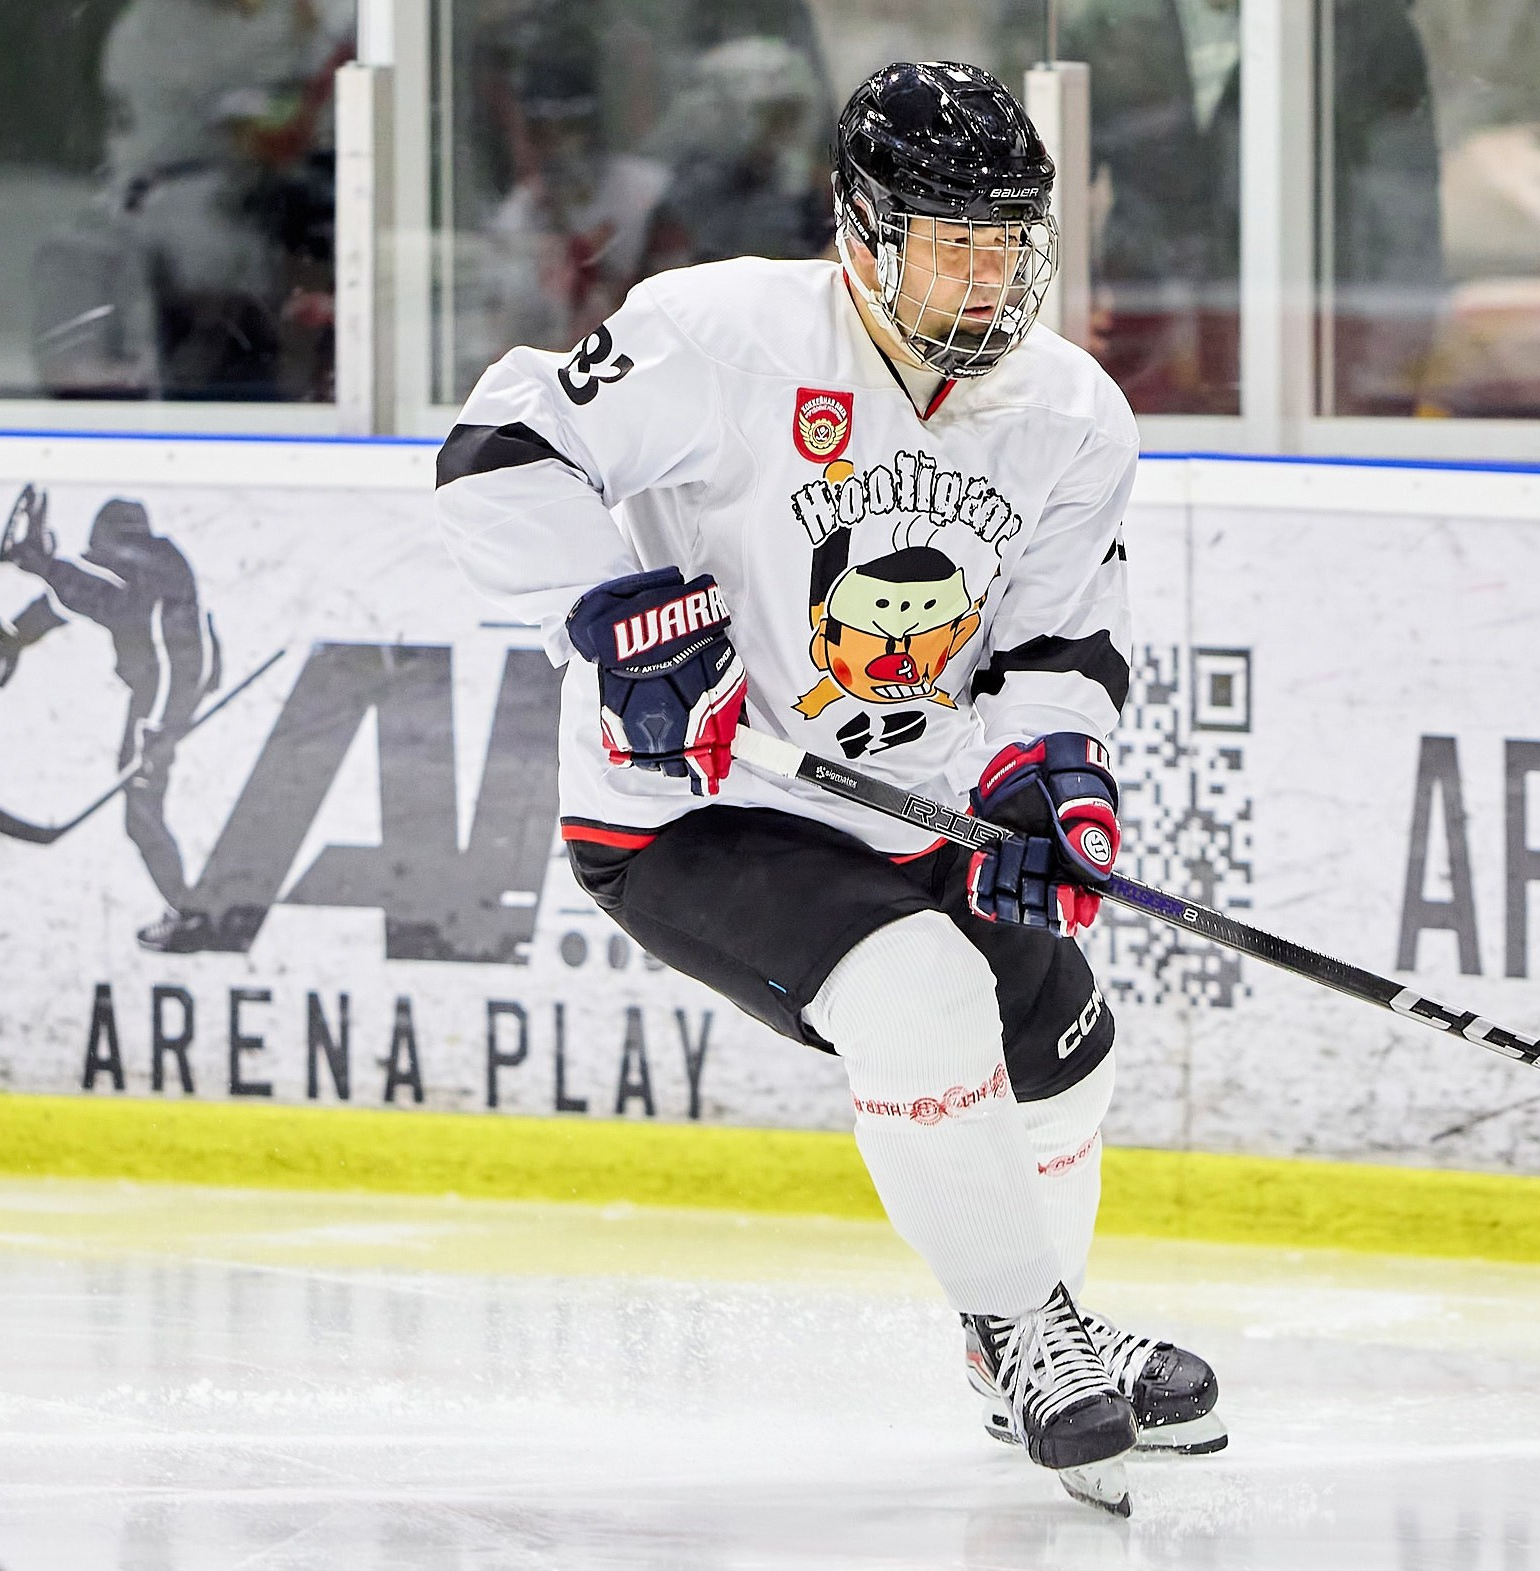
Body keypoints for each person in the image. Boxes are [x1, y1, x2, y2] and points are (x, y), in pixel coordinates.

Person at [433, 61, 1221, 1515]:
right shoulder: (717, 333)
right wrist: (615, 615)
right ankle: (1029, 1327)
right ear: (862, 230)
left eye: (1007, 239)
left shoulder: (1068, 414)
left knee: (1061, 1044)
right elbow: (494, 456)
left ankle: (1018, 1331)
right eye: (950, 240)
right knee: (915, 989)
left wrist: (1049, 784)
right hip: (694, 808)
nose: (986, 277)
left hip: (910, 806)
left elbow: (1057, 645)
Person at [0, 488, 220, 951]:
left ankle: (190, 917)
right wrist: (13, 636)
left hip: (167, 695)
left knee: (141, 805)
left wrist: (159, 730)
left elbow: (101, 601)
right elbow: (77, 601)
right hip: (159, 693)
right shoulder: (135, 581)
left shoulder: (157, 574)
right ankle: (187, 911)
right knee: (140, 804)